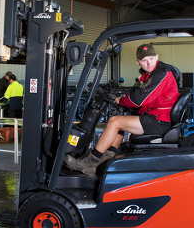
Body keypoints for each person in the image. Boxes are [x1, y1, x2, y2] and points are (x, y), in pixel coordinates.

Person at [65, 43, 180, 177]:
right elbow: (148, 99)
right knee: (123, 118)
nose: (148, 63)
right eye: (144, 60)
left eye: (151, 58)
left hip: (160, 121)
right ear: (138, 62)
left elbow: (139, 99)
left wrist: (121, 100)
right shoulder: (155, 73)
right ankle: (108, 155)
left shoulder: (161, 73)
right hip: (157, 117)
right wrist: (124, 104)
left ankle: (90, 162)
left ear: (157, 57)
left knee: (115, 121)